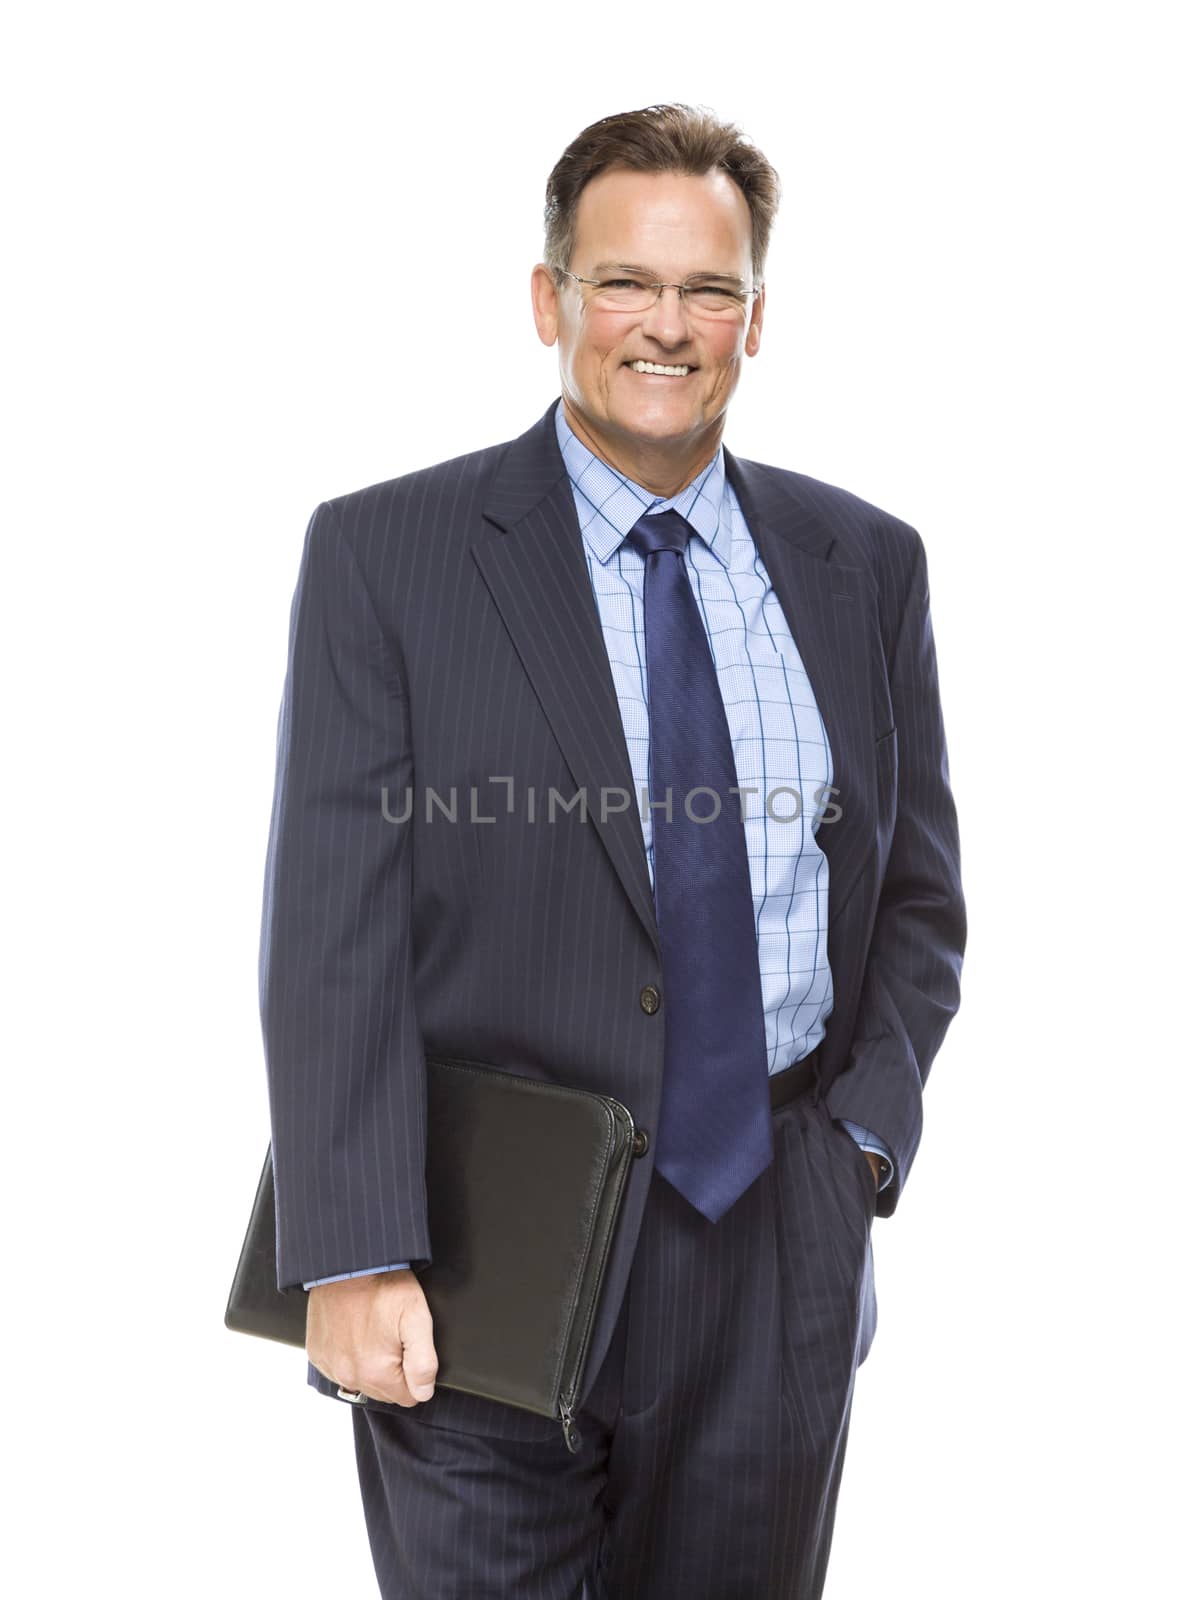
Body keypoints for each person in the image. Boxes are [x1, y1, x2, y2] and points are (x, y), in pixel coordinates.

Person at [258, 101, 966, 1599]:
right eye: (623, 284)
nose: (667, 325)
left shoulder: (865, 567)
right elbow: (334, 930)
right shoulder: (391, 556)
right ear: (550, 302)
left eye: (708, 289)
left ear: (756, 320)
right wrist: (351, 1247)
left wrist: (857, 1155)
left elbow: (915, 900)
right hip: (477, 1243)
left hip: (775, 1231)